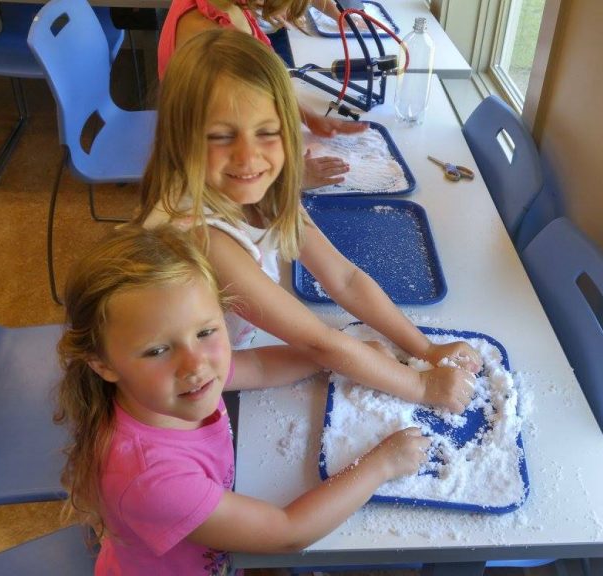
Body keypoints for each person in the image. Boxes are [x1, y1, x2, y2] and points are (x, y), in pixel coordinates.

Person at [136, 29, 482, 414]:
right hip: (176, 384)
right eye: (220, 136)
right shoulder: (204, 237)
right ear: (181, 141)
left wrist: (425, 348)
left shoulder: (265, 192)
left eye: (267, 132)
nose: (249, 158)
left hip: (224, 353)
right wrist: (420, 387)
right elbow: (317, 342)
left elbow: (345, 279)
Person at [55, 225, 431, 575]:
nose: (195, 364)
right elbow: (288, 532)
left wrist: (345, 358)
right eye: (156, 351)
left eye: (205, 331)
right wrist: (382, 465)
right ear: (104, 364)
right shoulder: (151, 479)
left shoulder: (171, 388)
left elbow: (259, 367)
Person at [157, 0, 366, 190]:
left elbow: (260, 92)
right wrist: (289, 178)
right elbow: (224, 151)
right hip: (210, 186)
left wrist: (307, 116)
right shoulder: (209, 38)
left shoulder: (230, 7)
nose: (276, 12)